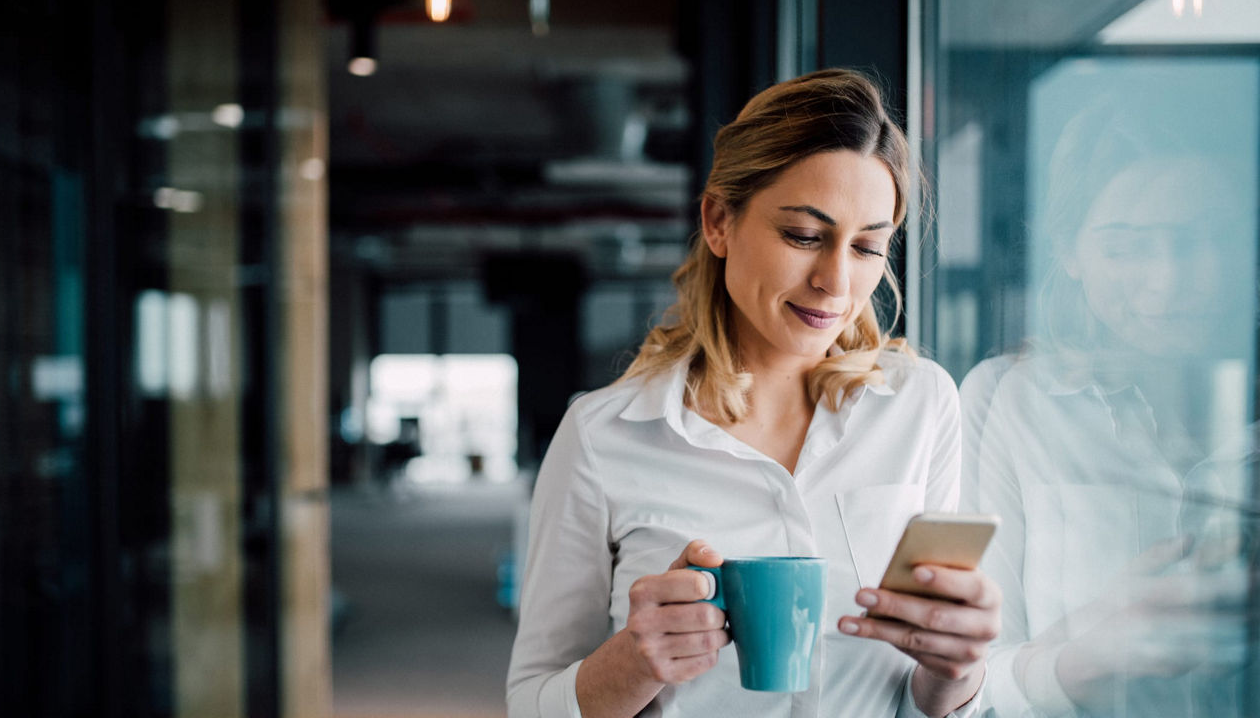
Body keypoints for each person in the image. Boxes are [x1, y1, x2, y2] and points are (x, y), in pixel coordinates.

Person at [507, 68, 1000, 718]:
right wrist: (632, 662)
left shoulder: (921, 404)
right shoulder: (603, 437)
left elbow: (928, 694)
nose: (836, 282)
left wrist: (959, 672)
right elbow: (531, 701)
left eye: (868, 247)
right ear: (718, 222)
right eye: (803, 236)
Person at [959, 93, 1255, 717]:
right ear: (1069, 253)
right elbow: (964, 688)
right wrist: (1097, 650)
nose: (1169, 282)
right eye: (1125, 248)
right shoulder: (1009, 402)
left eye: (1202, 242)